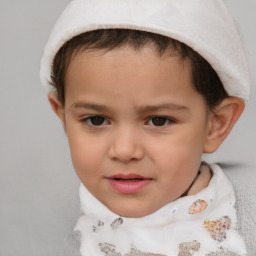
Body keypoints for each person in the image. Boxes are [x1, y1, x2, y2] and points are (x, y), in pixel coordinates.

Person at [40, 0, 251, 255]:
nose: (125, 150)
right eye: (96, 120)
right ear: (62, 116)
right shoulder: (47, 235)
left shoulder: (247, 221)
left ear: (215, 124)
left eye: (158, 121)